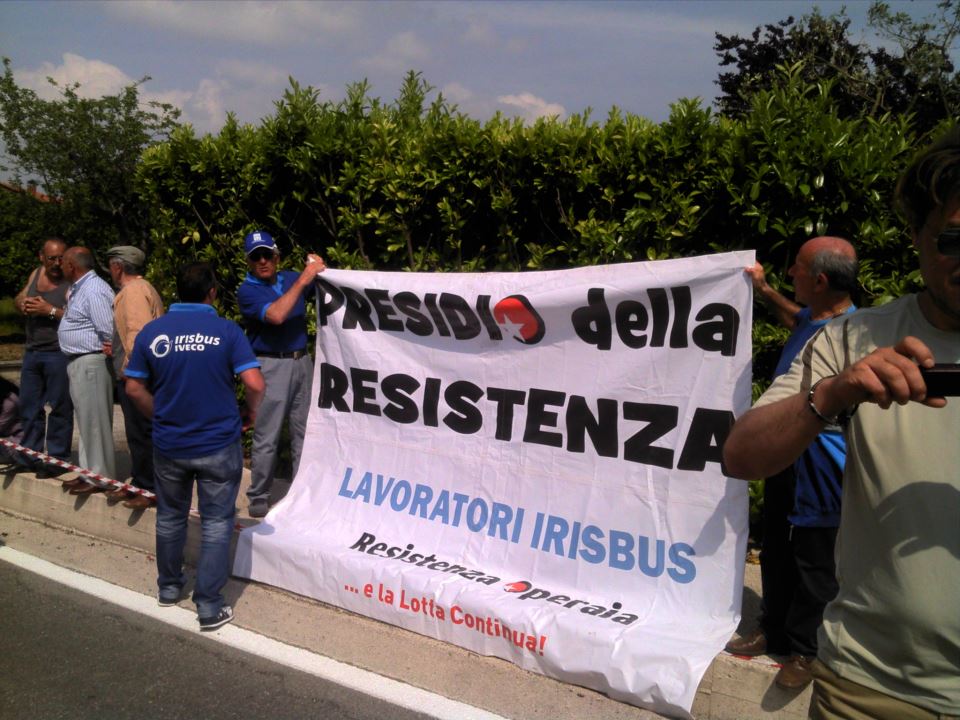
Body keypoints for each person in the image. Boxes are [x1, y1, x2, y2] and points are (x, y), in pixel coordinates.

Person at [723, 129, 960, 718]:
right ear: (917, 238)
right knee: (794, 565)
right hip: (871, 687)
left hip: (821, 495)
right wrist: (832, 394)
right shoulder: (850, 339)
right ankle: (792, 645)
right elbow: (740, 454)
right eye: (954, 238)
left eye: (800, 270)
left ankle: (795, 647)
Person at [725, 237, 857, 691]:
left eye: (797, 269)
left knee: (816, 556)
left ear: (819, 280)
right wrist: (762, 290)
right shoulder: (813, 317)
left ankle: (806, 649)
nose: (790, 275)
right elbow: (793, 315)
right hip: (785, 451)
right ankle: (774, 628)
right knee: (778, 544)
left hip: (822, 463)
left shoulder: (853, 335)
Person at [125, 262, 264, 631]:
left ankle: (169, 589)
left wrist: (161, 415)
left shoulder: (154, 332)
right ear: (212, 292)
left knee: (171, 516)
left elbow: (133, 387)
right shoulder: (226, 331)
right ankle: (209, 605)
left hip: (170, 443)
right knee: (217, 522)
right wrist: (249, 414)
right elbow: (255, 383)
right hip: (218, 443)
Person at [237, 229, 326, 518]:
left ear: (276, 256)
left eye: (266, 255)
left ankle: (302, 492)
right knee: (267, 435)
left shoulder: (290, 277)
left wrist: (318, 267)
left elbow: (325, 287)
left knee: (305, 433)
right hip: (270, 365)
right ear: (250, 262)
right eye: (255, 257)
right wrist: (305, 277)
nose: (262, 261)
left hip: (302, 361)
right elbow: (276, 315)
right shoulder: (247, 290)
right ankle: (259, 494)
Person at [105, 245, 164, 510]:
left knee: (142, 433)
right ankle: (140, 482)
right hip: (139, 371)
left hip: (137, 375)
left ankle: (149, 487)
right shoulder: (141, 289)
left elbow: (139, 335)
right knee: (137, 433)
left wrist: (133, 374)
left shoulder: (132, 292)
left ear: (118, 266)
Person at [13, 238, 73, 477]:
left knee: (59, 407)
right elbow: (19, 297)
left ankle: (57, 458)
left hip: (58, 352)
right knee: (29, 406)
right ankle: (30, 455)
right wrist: (23, 304)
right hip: (32, 351)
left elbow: (78, 317)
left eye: (61, 258)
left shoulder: (71, 281)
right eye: (52, 259)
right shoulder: (36, 274)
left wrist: (48, 310)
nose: (57, 264)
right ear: (41, 258)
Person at [57, 246, 116, 490]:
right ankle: (88, 471)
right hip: (79, 362)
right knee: (85, 419)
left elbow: (107, 328)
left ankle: (100, 477)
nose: (60, 266)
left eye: (63, 262)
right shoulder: (80, 288)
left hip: (91, 361)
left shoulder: (94, 289)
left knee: (95, 422)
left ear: (72, 266)